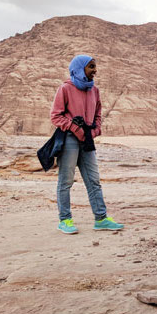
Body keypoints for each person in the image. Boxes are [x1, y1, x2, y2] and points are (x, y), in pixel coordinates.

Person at [50, 54, 124, 234]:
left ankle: (101, 219)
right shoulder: (65, 89)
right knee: (66, 181)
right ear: (79, 68)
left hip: (88, 141)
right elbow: (56, 116)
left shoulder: (94, 90)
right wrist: (74, 128)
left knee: (93, 180)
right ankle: (65, 220)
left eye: (95, 66)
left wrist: (95, 129)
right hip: (69, 139)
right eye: (91, 66)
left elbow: (98, 114)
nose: (95, 70)